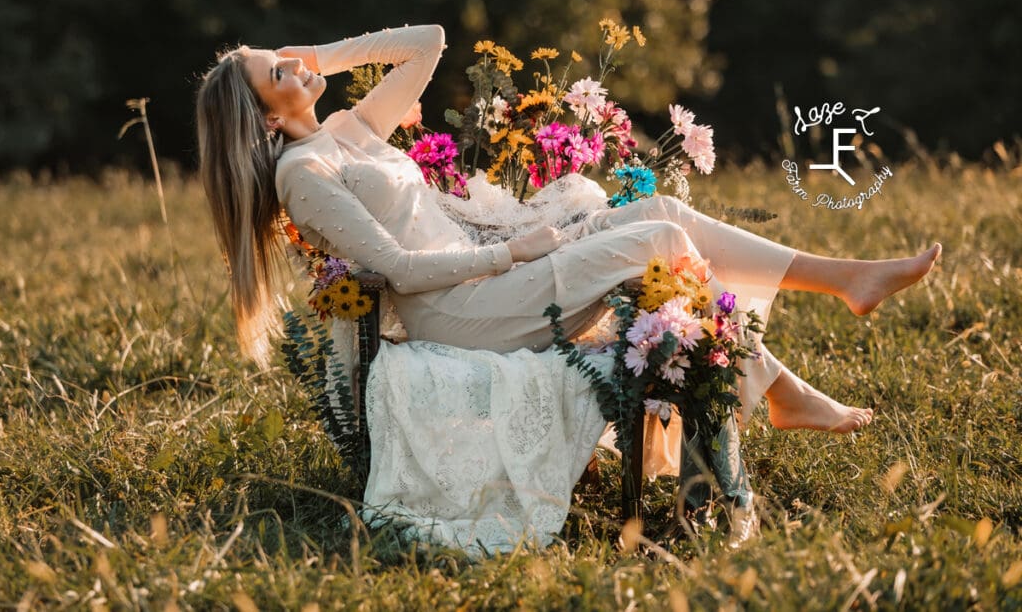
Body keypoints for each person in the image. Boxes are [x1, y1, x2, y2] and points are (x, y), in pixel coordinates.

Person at [196, 23, 940, 435]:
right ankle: (779, 385)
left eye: (286, 54)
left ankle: (841, 284)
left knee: (662, 212)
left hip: (489, 278)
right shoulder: (302, 175)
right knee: (656, 243)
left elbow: (429, 41)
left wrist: (321, 58)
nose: (293, 64)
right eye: (278, 72)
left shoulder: (346, 133)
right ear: (264, 117)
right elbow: (395, 268)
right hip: (461, 313)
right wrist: (514, 249)